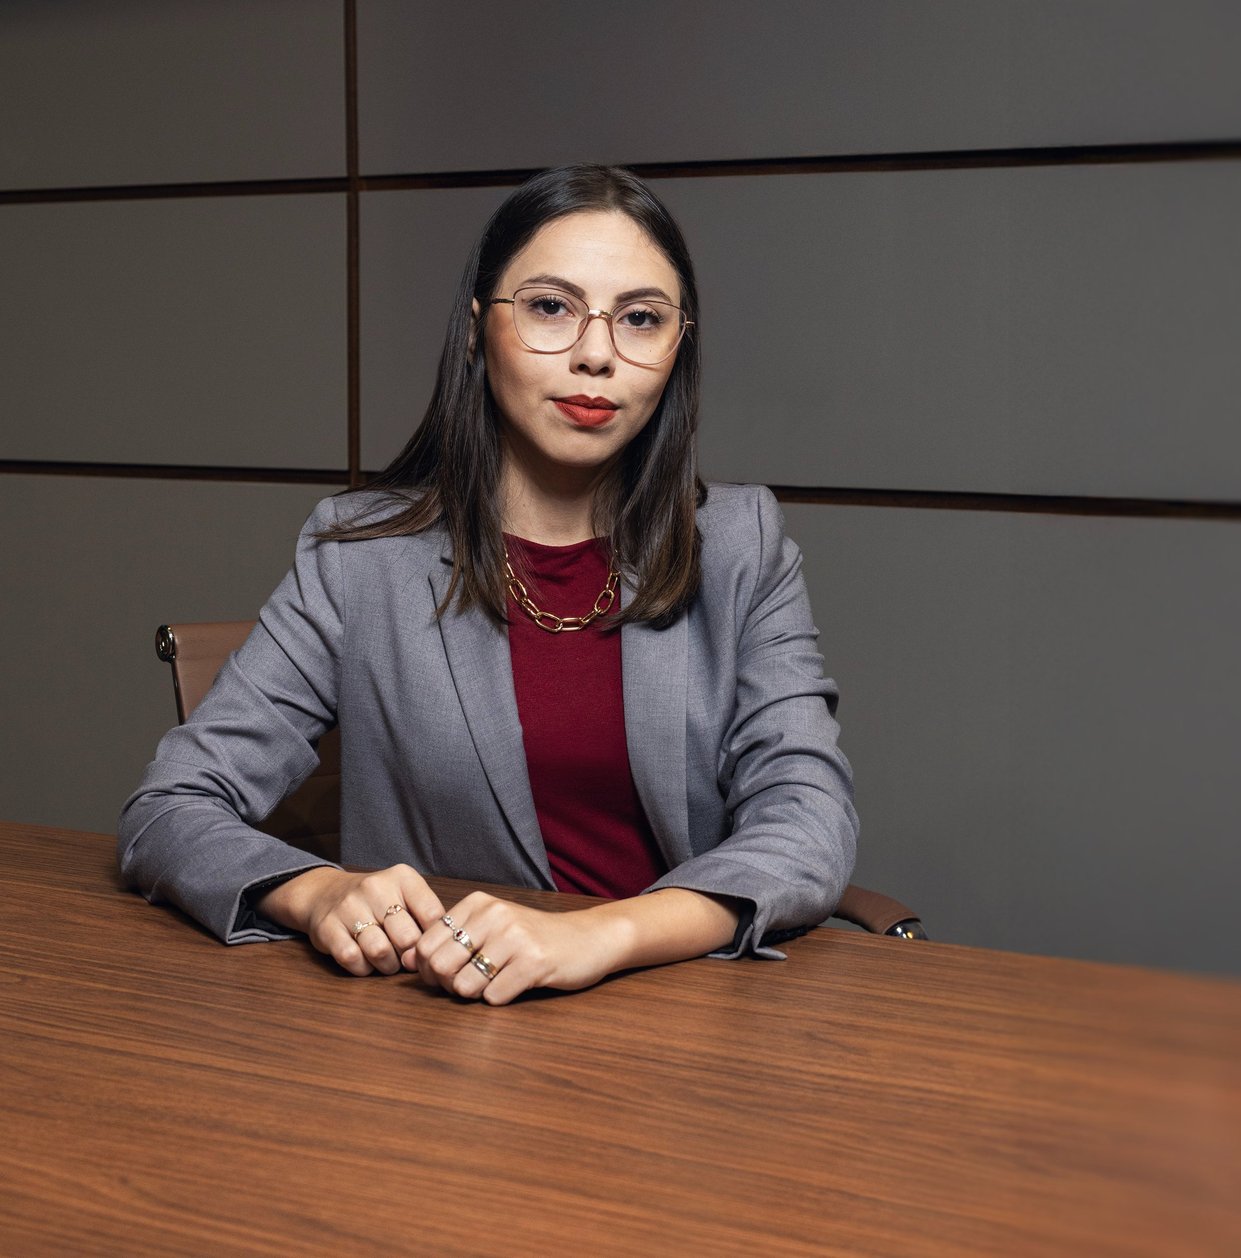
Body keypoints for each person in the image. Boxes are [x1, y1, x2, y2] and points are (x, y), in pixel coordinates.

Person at [118, 164, 857, 1006]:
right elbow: (169, 809)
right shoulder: (359, 556)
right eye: (550, 306)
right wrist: (317, 891)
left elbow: (809, 823)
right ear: (478, 330)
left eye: (641, 320)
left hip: (682, 1012)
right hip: (450, 1030)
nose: (594, 354)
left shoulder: (739, 543)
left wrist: (605, 933)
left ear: (676, 349)